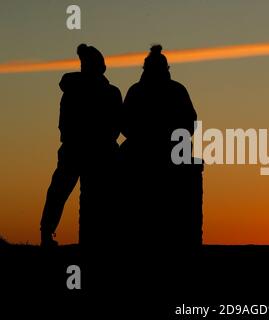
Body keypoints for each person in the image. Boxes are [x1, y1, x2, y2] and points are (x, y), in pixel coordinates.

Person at [119, 45, 203, 296]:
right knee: (172, 222)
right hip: (167, 160)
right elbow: (190, 123)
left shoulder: (136, 91)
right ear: (166, 69)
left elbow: (125, 125)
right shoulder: (177, 91)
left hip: (142, 159)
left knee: (142, 222)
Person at [40, 44, 122, 248]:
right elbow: (118, 124)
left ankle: (47, 234)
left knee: (60, 193)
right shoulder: (109, 92)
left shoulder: (72, 88)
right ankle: (93, 240)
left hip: (74, 149)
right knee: (92, 198)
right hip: (95, 152)